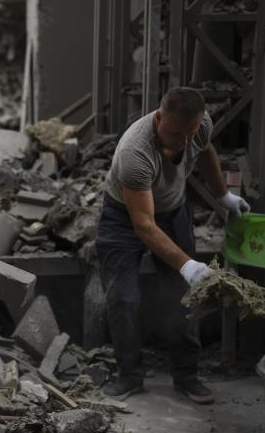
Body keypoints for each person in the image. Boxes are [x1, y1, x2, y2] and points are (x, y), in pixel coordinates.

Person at [96, 87, 249, 404]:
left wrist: (222, 196)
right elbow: (145, 226)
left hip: (174, 210)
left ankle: (187, 374)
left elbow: (205, 150)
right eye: (177, 133)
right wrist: (189, 266)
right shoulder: (135, 153)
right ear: (158, 117)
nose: (184, 141)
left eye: (190, 132)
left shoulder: (199, 126)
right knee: (122, 297)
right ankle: (129, 375)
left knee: (185, 295)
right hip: (124, 217)